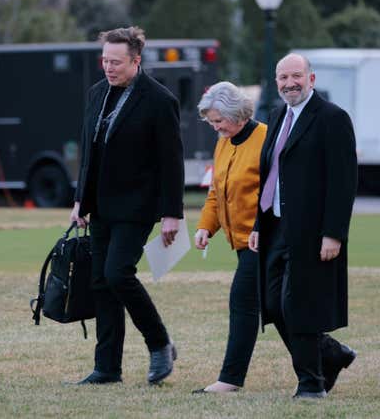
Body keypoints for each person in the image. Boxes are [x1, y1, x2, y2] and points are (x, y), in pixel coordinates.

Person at [69, 26, 185, 385]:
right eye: (105, 60)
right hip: (100, 206)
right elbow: (90, 152)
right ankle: (107, 368)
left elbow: (172, 161)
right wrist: (80, 201)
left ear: (136, 61)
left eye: (116, 62)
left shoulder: (159, 100)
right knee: (101, 282)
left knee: (118, 273)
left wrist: (172, 213)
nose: (108, 67)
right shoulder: (96, 93)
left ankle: (159, 342)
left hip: (137, 206)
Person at [249, 53, 357, 399]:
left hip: (313, 231)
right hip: (276, 226)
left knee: (299, 305)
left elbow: (343, 181)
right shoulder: (277, 115)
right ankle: (329, 353)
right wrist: (257, 224)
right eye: (282, 78)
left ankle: (311, 384)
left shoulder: (332, 118)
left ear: (310, 79)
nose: (289, 83)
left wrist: (334, 233)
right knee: (274, 303)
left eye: (296, 76)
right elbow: (269, 176)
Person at [191, 82, 267, 393]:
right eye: (210, 121)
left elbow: (271, 192)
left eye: (218, 121)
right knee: (277, 308)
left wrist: (263, 228)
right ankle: (330, 355)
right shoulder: (224, 142)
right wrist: (205, 227)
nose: (215, 127)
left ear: (238, 113)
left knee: (243, 301)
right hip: (240, 241)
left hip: (262, 240)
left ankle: (230, 379)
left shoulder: (265, 139)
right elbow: (216, 192)